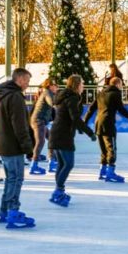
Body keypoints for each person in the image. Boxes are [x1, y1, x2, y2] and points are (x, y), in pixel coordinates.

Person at [0, 67, 36, 229]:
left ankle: (4, 211)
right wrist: (28, 148)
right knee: (16, 178)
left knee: (10, 179)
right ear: (19, 80)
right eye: (27, 80)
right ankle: (13, 211)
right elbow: (20, 126)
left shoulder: (3, 95)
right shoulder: (16, 97)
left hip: (4, 144)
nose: (28, 84)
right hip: (13, 146)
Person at [47, 74, 95, 207]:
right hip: (63, 135)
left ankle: (59, 192)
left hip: (56, 133)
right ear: (77, 85)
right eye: (82, 84)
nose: (83, 86)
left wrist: (78, 129)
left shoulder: (64, 97)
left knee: (62, 164)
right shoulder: (72, 98)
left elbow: (69, 117)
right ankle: (58, 192)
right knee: (68, 164)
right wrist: (89, 132)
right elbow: (75, 118)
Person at [83, 76, 128, 182]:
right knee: (111, 149)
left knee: (103, 149)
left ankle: (102, 171)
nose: (121, 86)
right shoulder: (116, 93)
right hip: (108, 124)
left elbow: (91, 109)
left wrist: (85, 121)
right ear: (117, 84)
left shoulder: (101, 93)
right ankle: (110, 172)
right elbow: (120, 109)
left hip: (98, 123)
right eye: (121, 84)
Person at [30, 78, 57, 175]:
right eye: (55, 85)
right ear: (50, 86)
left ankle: (52, 162)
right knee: (40, 141)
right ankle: (34, 165)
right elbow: (52, 103)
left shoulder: (48, 93)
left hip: (41, 121)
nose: (57, 88)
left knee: (52, 139)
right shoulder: (47, 93)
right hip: (38, 121)